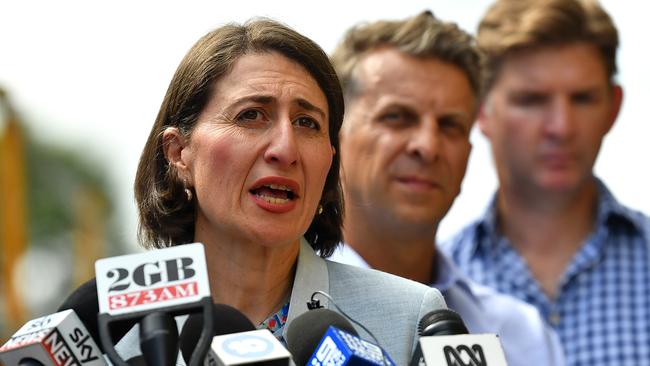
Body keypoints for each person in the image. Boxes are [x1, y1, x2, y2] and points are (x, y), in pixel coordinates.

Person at [60, 18, 447, 364]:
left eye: (307, 122)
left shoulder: (412, 318)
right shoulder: (103, 334)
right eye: (251, 115)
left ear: (330, 160)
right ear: (179, 154)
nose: (285, 149)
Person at [327, 11, 563, 366]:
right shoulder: (270, 305)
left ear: (469, 150)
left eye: (451, 125)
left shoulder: (519, 334)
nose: (428, 146)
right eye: (397, 117)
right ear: (334, 134)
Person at [443, 1, 650, 365]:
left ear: (614, 107)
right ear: (480, 110)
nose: (561, 127)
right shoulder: (438, 289)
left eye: (583, 98)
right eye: (532, 100)